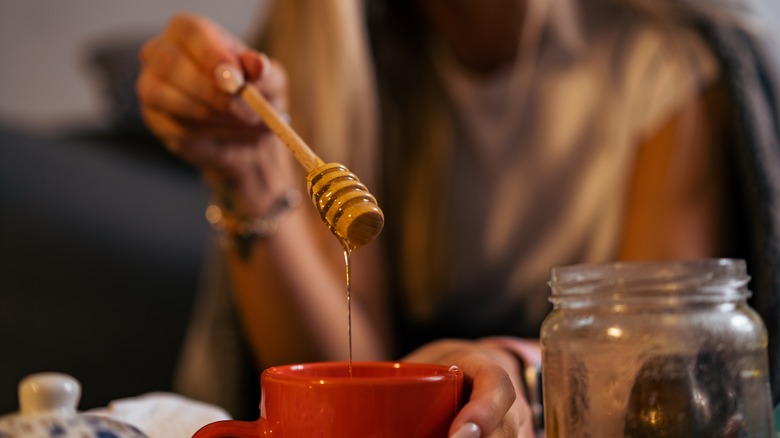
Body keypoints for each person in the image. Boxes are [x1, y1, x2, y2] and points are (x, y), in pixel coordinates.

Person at [136, 0, 780, 436]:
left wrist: (504, 368)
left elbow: (646, 364)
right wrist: (248, 174)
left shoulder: (670, 57)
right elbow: (332, 400)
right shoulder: (323, 48)